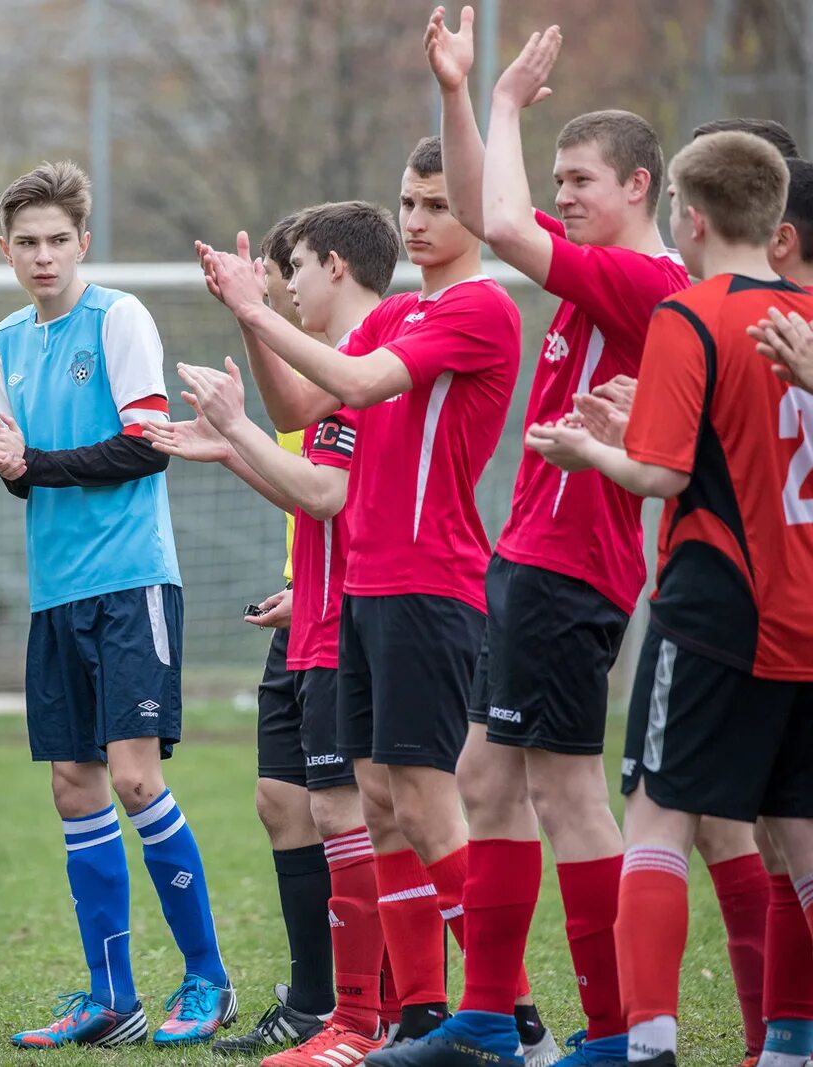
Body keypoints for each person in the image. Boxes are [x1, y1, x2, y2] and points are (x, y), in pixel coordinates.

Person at [373, 13, 691, 1067]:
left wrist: (502, 103)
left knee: (563, 790)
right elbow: (485, 209)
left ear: (638, 186)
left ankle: (613, 1030)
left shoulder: (641, 280)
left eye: (580, 181)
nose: (560, 199)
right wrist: (461, 96)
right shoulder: (603, 270)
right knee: (485, 778)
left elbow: (497, 226)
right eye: (554, 179)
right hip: (535, 556)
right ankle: (486, 1013)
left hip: (572, 566)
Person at [198, 136, 521, 1048]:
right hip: (369, 590)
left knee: (424, 803)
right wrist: (245, 334)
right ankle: (408, 1016)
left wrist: (257, 311)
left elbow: (356, 384)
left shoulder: (481, 308)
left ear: (478, 214)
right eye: (409, 204)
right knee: (380, 804)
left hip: (429, 581)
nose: (416, 222)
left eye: (436, 206)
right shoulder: (398, 318)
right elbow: (304, 407)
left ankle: (504, 1011)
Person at [527, 130, 813, 1067]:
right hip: (804, 609)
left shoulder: (690, 316)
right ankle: (792, 1047)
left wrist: (589, 449)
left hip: (716, 604)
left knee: (657, 813)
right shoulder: (806, 319)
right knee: (801, 841)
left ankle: (647, 1043)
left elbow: (657, 474)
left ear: (689, 217)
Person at [0, 160, 235, 1049]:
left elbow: (145, 445)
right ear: (5, 251)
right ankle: (110, 994)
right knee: (73, 785)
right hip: (58, 595)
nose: (43, 256)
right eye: (28, 243)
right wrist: (15, 465)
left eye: (58, 241)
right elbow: (25, 481)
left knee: (133, 777)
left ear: (83, 242)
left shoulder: (119, 316)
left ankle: (208, 979)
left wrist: (34, 465)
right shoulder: (6, 339)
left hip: (131, 582)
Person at [151, 201, 404, 1067]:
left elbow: (331, 496)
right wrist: (234, 445)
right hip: (314, 605)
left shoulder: (374, 364)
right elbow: (313, 482)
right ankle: (330, 1006)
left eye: (292, 269)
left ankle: (382, 1010)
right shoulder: (340, 374)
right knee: (294, 803)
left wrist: (235, 428)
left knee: (367, 813)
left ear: (335, 265)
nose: (285, 287)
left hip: (351, 615)